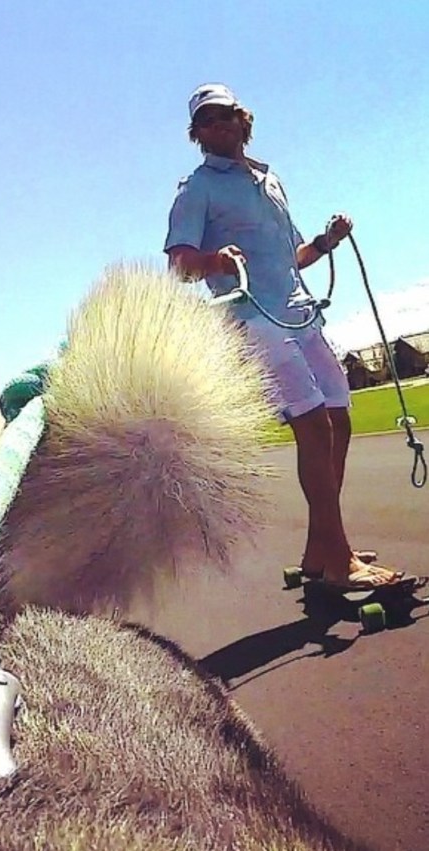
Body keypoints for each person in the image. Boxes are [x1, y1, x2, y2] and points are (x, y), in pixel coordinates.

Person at [164, 83, 404, 591]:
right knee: (313, 425)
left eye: (225, 115)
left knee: (339, 417)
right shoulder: (197, 188)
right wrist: (216, 261)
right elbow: (179, 265)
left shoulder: (270, 180)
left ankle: (322, 548)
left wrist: (324, 242)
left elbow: (291, 258)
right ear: (196, 133)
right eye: (206, 121)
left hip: (299, 312)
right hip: (252, 319)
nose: (217, 125)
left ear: (241, 120)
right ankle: (340, 561)